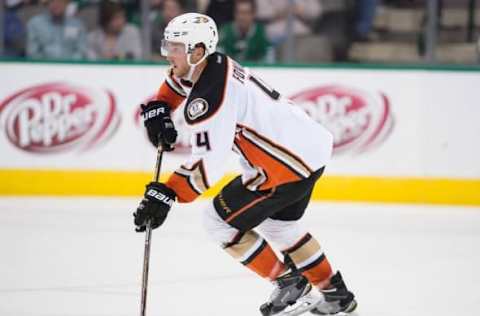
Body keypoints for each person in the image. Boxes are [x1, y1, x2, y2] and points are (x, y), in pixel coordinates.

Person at [133, 12, 357, 316]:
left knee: (217, 221)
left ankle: (288, 281)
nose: (167, 54)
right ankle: (336, 296)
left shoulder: (211, 100)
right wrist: (160, 107)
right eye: (168, 45)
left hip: (286, 165)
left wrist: (167, 193)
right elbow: (176, 83)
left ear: (197, 51)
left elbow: (205, 169)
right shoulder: (211, 64)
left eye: (175, 47)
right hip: (310, 148)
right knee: (281, 226)